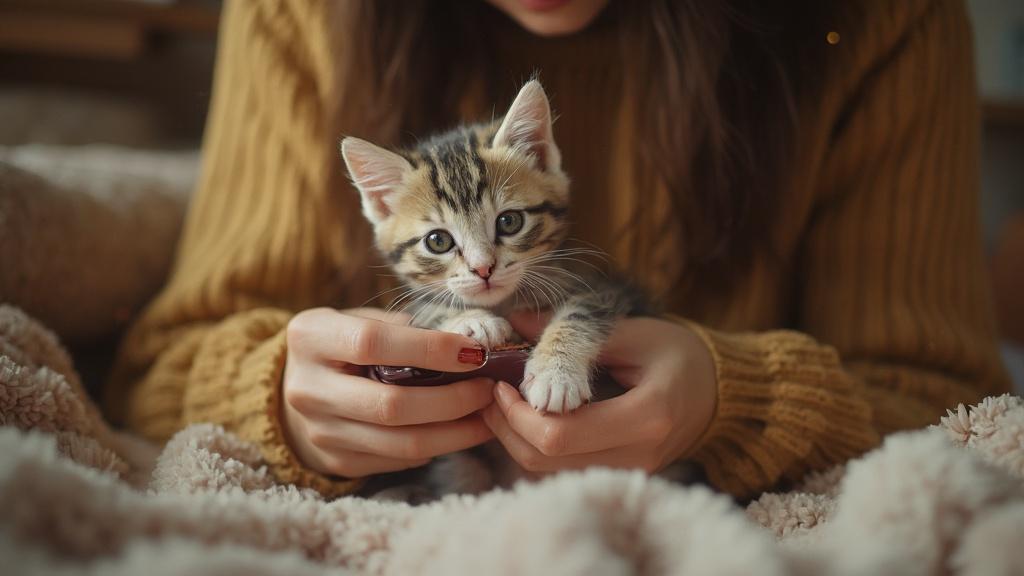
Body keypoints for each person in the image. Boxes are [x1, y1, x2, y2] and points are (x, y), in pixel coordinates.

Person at [106, 0, 1010, 499]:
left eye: (503, 231)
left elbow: (962, 420)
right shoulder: (298, 14)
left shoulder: (883, 24)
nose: (484, 269)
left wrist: (735, 400)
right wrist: (281, 399)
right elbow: (153, 376)